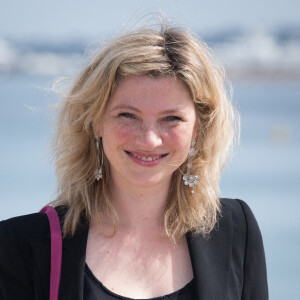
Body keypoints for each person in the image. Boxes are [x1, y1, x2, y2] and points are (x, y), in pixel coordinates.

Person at [0, 23, 268, 300]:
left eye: (171, 118)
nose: (149, 140)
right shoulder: (20, 245)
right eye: (128, 115)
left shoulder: (237, 231)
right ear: (95, 121)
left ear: (198, 129)